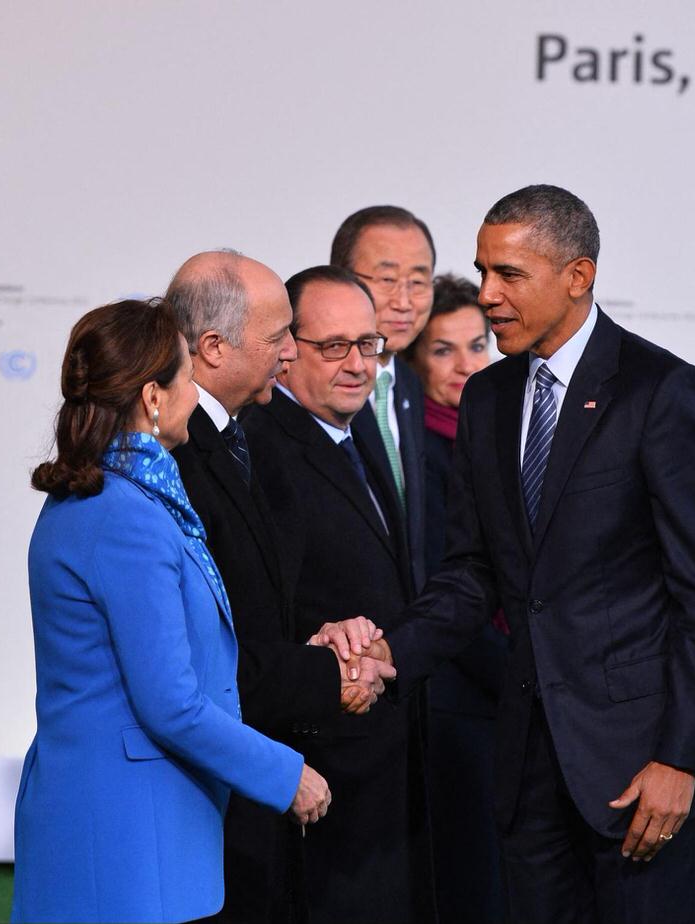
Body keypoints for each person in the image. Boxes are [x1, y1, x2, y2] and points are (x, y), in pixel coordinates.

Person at [377, 186, 695, 924]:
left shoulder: (664, 392)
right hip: (527, 771)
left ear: (578, 276)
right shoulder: (486, 398)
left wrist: (680, 759)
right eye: (483, 271)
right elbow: (472, 573)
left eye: (509, 275)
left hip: (643, 773)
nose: (487, 295)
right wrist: (386, 655)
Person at [12, 299, 331, 924]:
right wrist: (285, 774)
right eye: (187, 377)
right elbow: (170, 703)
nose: (195, 392)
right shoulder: (125, 515)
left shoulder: (111, 497)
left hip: (124, 819)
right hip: (126, 829)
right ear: (154, 397)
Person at [164, 252, 394, 924]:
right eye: (278, 338)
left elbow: (255, 613)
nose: (291, 352)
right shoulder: (174, 456)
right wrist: (328, 670)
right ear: (212, 347)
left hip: (254, 774)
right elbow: (201, 656)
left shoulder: (236, 438)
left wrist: (320, 639)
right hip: (213, 783)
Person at [242, 266, 436, 924]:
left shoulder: (363, 437)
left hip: (385, 760)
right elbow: (255, 611)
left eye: (369, 344)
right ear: (287, 350)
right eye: (334, 347)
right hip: (318, 764)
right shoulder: (259, 451)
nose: (358, 365)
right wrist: (330, 649)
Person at [403, 274, 507, 923]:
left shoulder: (506, 436)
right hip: (458, 701)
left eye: (479, 344)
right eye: (444, 350)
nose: (467, 364)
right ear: (415, 360)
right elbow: (446, 586)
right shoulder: (414, 454)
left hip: (508, 700)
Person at [330, 206, 436, 590]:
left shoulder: (408, 383)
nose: (404, 301)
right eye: (387, 279)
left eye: (419, 282)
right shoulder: (311, 385)